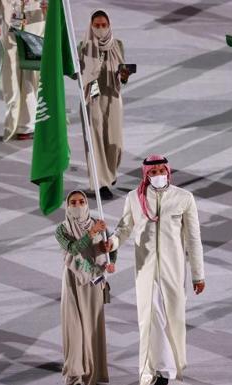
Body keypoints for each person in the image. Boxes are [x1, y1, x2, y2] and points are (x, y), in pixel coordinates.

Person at [108, 155, 205, 385]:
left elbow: (193, 239)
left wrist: (198, 274)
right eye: (153, 172)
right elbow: (123, 229)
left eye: (161, 171)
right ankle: (151, 371)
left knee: (173, 318)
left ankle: (169, 367)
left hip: (174, 270)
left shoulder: (184, 198)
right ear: (146, 174)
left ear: (168, 172)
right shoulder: (134, 198)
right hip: (146, 270)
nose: (158, 175)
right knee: (150, 318)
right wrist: (110, 243)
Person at [55, 190, 116, 385]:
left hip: (94, 281)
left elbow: (110, 253)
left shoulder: (100, 224)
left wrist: (110, 255)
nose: (78, 205)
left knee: (92, 327)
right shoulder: (62, 229)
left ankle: (93, 373)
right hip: (73, 280)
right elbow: (73, 249)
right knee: (74, 327)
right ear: (67, 205)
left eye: (81, 201)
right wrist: (92, 233)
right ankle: (74, 375)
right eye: (73, 202)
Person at [79, 9, 132, 200]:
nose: (100, 29)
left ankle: (110, 174)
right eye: (97, 26)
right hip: (92, 98)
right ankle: (100, 183)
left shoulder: (117, 45)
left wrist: (124, 75)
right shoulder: (83, 46)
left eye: (104, 25)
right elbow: (73, 73)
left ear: (109, 26)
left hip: (113, 97)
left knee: (115, 142)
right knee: (95, 142)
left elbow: (122, 73)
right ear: (91, 26)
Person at [0, 0, 47, 142]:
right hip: (10, 35)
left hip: (35, 30)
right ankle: (13, 122)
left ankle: (27, 125)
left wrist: (48, 10)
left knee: (30, 78)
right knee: (10, 79)